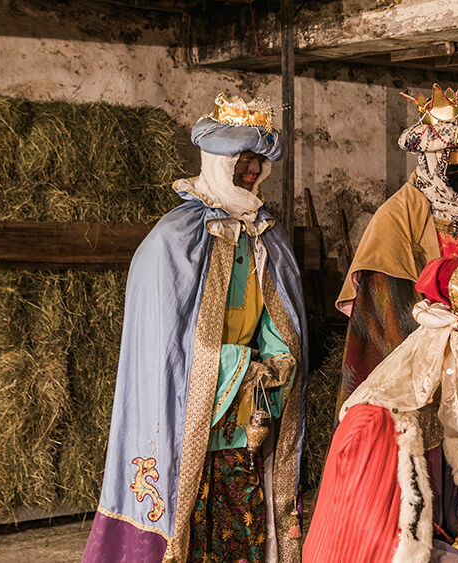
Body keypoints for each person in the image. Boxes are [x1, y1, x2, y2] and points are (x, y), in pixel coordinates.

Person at [84, 94, 308, 563]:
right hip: (190, 411)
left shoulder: (266, 233)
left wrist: (275, 359)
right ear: (218, 160)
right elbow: (165, 347)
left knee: (239, 509)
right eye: (242, 161)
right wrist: (239, 363)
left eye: (258, 163)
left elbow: (276, 314)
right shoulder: (173, 238)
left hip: (245, 408)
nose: (251, 171)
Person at [335, 82, 458, 540]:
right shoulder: (396, 218)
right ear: (430, 159)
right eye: (454, 155)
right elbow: (383, 311)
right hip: (419, 384)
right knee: (416, 489)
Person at [304, 253, 458, 563]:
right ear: (448, 349)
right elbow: (378, 548)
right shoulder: (374, 426)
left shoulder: (434, 421)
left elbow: (448, 515)